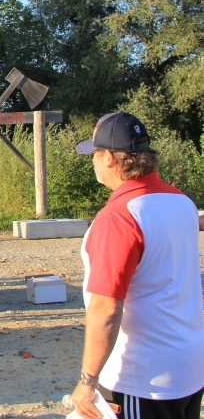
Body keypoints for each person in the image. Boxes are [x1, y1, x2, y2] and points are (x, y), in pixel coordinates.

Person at [70, 112, 204, 419]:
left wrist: (87, 380)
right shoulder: (182, 201)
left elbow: (106, 308)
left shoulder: (118, 217)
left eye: (94, 154)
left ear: (110, 160)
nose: (92, 161)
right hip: (189, 368)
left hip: (142, 379)